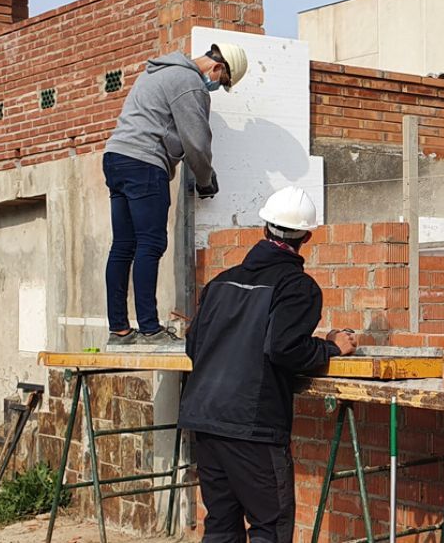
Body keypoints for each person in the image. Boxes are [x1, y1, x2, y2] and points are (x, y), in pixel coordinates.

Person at [179, 186, 357, 543]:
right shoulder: (297, 286)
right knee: (270, 528)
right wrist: (332, 348)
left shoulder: (220, 282)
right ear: (306, 237)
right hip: (252, 426)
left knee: (221, 526)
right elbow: (285, 349)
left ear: (264, 229)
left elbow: (194, 344)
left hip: (206, 419)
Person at [103, 42, 248, 348]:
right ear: (217, 68)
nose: (215, 88)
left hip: (116, 158)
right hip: (144, 162)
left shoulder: (157, 71)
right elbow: (196, 141)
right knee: (151, 242)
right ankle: (149, 328)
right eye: (220, 84)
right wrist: (206, 180)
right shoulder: (189, 82)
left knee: (124, 245)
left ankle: (119, 330)